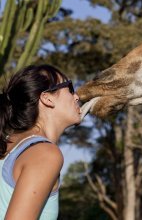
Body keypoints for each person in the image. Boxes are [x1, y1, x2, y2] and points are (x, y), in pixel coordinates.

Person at [0, 64, 82, 220]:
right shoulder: (45, 154)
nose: (76, 96)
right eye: (70, 88)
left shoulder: (7, 145)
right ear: (47, 98)